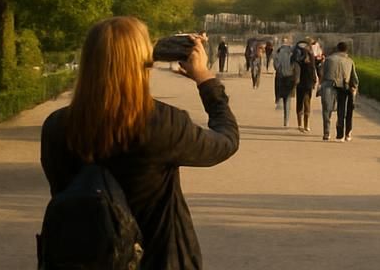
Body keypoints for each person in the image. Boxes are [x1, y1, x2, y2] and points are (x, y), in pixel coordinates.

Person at [40, 16, 239, 270]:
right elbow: (226, 141)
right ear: (144, 62)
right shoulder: (163, 123)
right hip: (157, 258)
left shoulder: (56, 127)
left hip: (82, 259)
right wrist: (206, 80)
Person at [321, 41, 360, 142]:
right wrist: (354, 87)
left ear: (337, 49)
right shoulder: (350, 61)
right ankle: (342, 133)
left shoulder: (328, 59)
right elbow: (354, 78)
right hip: (344, 86)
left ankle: (326, 132)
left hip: (329, 85)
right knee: (342, 111)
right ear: (346, 50)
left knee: (327, 110)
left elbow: (322, 73)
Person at [293, 40, 319, 134]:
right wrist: (315, 80)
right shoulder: (311, 56)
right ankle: (305, 125)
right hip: (308, 83)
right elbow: (314, 69)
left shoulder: (297, 57)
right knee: (307, 102)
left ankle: (300, 124)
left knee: (300, 102)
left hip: (301, 83)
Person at [271, 37, 298, 127]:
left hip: (280, 78)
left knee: (281, 96)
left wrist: (280, 69)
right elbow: (295, 66)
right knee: (288, 99)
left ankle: (279, 101)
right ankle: (286, 120)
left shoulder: (278, 53)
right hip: (290, 78)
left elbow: (276, 66)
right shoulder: (292, 53)